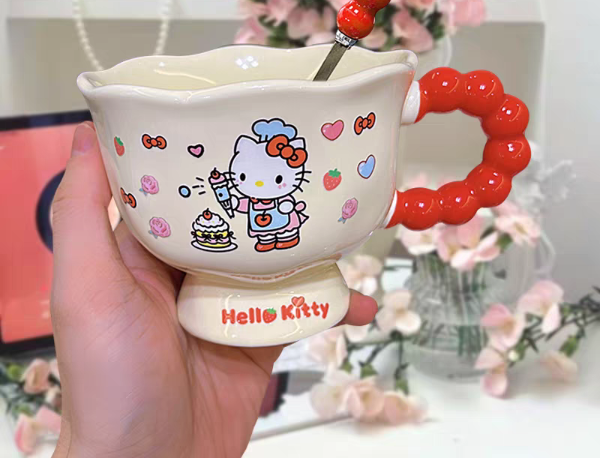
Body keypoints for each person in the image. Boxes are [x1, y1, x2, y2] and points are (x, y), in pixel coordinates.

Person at [50, 122, 378, 458]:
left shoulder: (283, 204)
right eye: (247, 178)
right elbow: (233, 207)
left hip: (287, 236)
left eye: (277, 178)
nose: (260, 186)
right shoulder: (248, 204)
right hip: (220, 299)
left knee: (280, 235)